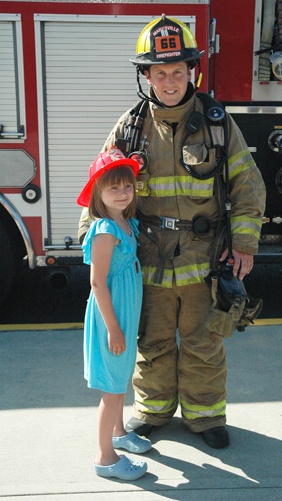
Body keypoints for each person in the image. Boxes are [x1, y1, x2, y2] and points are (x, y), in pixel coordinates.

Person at [79, 14, 266, 449]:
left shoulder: (219, 123)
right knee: (154, 340)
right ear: (146, 75)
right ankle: (155, 410)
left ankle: (205, 417)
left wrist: (244, 242)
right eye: (159, 72)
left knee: (204, 342)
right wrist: (96, 250)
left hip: (206, 258)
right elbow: (99, 186)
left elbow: (247, 183)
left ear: (192, 73)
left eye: (177, 71)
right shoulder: (129, 128)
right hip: (150, 260)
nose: (168, 81)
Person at [77, 149, 151, 480]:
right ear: (98, 193)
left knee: (120, 380)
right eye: (113, 188)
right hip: (111, 319)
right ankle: (106, 457)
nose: (122, 193)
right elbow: (97, 282)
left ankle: (120, 433)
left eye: (127, 186)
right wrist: (114, 329)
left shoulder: (125, 221)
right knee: (113, 388)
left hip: (123, 315)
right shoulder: (106, 229)